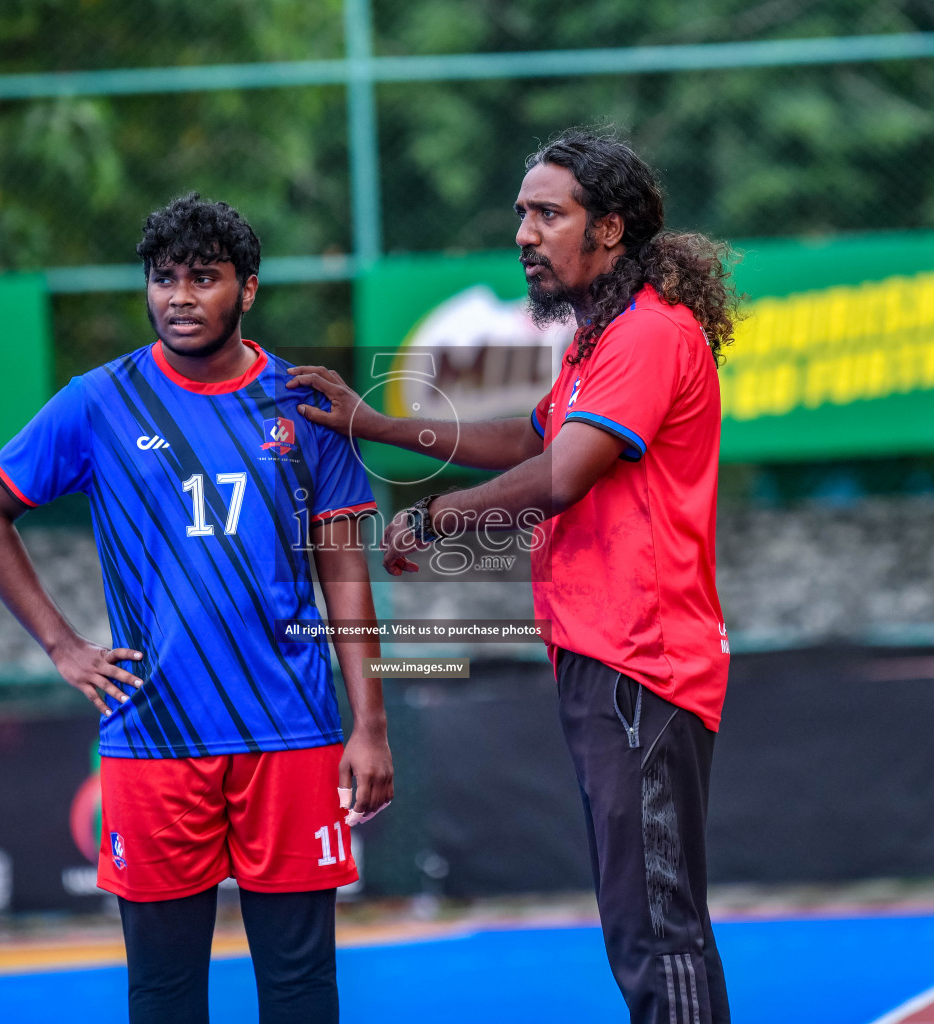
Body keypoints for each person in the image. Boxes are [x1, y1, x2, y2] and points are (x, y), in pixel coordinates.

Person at [289, 128, 738, 1023]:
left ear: (609, 228)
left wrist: (436, 517)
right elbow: (528, 439)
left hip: (642, 664)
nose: (525, 233)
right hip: (609, 660)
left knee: (655, 926)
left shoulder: (649, 333)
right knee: (645, 920)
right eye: (521, 214)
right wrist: (369, 424)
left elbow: (563, 474)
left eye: (547, 213)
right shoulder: (596, 342)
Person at [0, 193, 393, 1024]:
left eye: (204, 278)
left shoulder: (308, 406)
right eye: (163, 279)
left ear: (249, 289)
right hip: (153, 735)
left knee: (302, 988)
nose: (180, 297)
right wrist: (62, 646)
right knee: (163, 993)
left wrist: (367, 725)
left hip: (292, 731)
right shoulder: (98, 402)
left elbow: (346, 568)